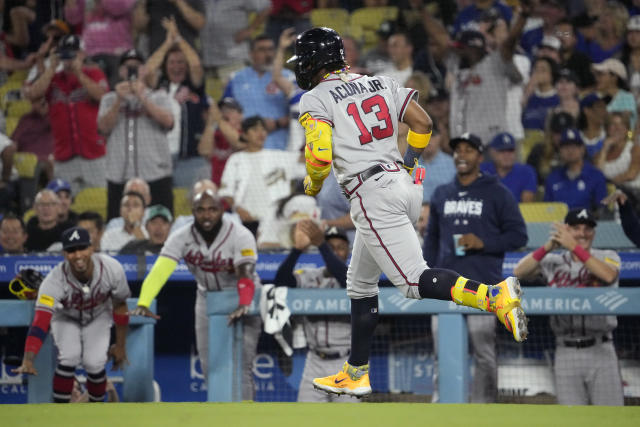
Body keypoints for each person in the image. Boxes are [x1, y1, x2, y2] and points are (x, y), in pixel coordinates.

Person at [286, 27, 527, 398]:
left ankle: (493, 297)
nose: (299, 67)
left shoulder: (315, 97)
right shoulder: (378, 81)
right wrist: (410, 163)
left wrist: (313, 185)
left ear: (314, 62)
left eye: (302, 60)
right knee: (360, 283)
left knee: (413, 282)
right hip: (403, 183)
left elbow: (318, 157)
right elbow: (423, 123)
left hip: (371, 193)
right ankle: (356, 371)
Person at [425, 133, 528, 403]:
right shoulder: (441, 193)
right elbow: (432, 239)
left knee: (484, 354)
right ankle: (444, 405)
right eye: (458, 149)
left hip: (484, 286)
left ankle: (484, 409)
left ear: (480, 157)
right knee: (441, 351)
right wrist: (425, 275)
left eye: (469, 150)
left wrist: (484, 242)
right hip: (446, 288)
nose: (462, 155)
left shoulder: (496, 192)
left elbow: (519, 236)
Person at [131, 189, 261, 400]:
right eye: (200, 210)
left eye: (212, 209)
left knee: (241, 366)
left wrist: (245, 302)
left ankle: (244, 416)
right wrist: (144, 301)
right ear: (193, 212)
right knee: (209, 364)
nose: (206, 215)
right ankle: (220, 416)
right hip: (206, 297)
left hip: (241, 296)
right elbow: (160, 269)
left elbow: (245, 274)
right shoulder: (181, 237)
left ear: (221, 211)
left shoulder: (240, 235)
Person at [513, 209, 624, 406]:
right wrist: (549, 246)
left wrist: (573, 246)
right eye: (576, 228)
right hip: (565, 349)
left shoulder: (608, 255)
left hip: (601, 348)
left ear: (594, 232)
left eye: (587, 229)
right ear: (566, 230)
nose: (582, 233)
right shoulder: (553, 262)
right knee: (571, 419)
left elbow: (608, 276)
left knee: (611, 416)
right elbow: (519, 271)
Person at [12, 226, 130, 403]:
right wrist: (28, 359)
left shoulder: (112, 269)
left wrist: (120, 346)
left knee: (95, 362)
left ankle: (96, 413)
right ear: (64, 253)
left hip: (98, 314)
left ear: (91, 248)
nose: (77, 255)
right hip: (66, 316)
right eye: (71, 250)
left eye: (82, 248)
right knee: (69, 356)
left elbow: (120, 305)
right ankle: (61, 415)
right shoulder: (54, 280)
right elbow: (40, 322)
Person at [274, 221, 351, 402]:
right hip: (315, 362)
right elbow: (281, 282)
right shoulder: (310, 275)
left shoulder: (356, 276)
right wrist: (297, 250)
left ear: (348, 251)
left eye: (340, 248)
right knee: (305, 418)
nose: (335, 252)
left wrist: (323, 246)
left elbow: (345, 280)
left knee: (349, 420)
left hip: (347, 362)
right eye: (331, 247)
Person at [24, 35, 108, 194]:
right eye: (66, 54)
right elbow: (33, 94)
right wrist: (50, 68)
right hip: (64, 156)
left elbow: (102, 96)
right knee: (64, 204)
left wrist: (79, 73)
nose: (69, 58)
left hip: (94, 154)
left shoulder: (94, 73)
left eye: (73, 53)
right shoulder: (54, 79)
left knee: (100, 199)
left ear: (82, 54)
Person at [97, 48, 174, 220]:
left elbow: (168, 122)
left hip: (155, 175)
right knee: (117, 226)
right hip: (119, 177)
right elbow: (103, 128)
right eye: (128, 66)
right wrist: (119, 100)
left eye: (137, 66)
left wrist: (142, 96)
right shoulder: (109, 99)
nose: (132, 70)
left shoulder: (159, 96)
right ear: (121, 71)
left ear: (144, 70)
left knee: (161, 226)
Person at [145, 16, 209, 188]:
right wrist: (167, 43)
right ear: (165, 66)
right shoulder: (158, 87)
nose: (177, 66)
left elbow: (196, 65)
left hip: (190, 159)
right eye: (172, 62)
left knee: (191, 205)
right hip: (159, 159)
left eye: (181, 62)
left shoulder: (194, 86)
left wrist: (178, 38)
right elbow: (147, 70)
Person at [218, 116, 305, 236]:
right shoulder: (236, 159)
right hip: (248, 222)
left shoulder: (278, 156)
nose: (261, 133)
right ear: (244, 135)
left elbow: (305, 159)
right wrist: (238, 209)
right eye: (255, 130)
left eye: (263, 130)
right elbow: (226, 192)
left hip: (278, 221)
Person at [222, 35, 293, 150]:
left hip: (281, 147)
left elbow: (302, 112)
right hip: (247, 149)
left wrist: (277, 123)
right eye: (262, 50)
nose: (268, 54)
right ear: (251, 54)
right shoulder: (236, 78)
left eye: (270, 49)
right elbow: (225, 114)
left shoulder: (288, 77)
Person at [199, 0, 270, 83]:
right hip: (207, 58)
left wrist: (251, 29)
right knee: (209, 95)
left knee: (236, 93)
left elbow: (266, 6)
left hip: (234, 59)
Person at [543, 128, 607, 212]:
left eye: (574, 146)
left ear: (582, 149)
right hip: (558, 223)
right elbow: (546, 210)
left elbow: (601, 209)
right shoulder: (552, 178)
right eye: (565, 146)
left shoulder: (596, 176)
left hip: (586, 222)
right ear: (560, 151)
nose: (570, 150)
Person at [594, 112, 640, 203]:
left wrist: (608, 184)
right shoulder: (600, 154)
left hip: (634, 196)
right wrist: (605, 149)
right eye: (613, 124)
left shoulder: (635, 149)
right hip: (609, 198)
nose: (618, 128)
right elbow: (596, 175)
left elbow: (631, 175)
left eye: (622, 124)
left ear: (627, 129)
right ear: (607, 129)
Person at [481, 132, 538, 203]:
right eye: (502, 151)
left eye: (510, 150)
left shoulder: (526, 172)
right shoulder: (481, 170)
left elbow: (527, 205)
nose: (507, 155)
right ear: (492, 152)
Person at [592, 58, 637, 131]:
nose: (597, 78)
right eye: (597, 74)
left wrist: (629, 141)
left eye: (601, 74)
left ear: (614, 77)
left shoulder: (627, 98)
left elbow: (631, 128)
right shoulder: (593, 97)